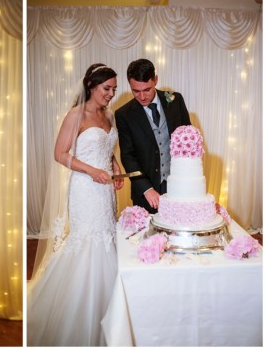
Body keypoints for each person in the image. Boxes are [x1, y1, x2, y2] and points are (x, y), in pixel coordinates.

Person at [28, 64, 124, 346]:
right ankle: (78, 313)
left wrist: (114, 166)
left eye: (114, 89)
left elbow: (107, 148)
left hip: (105, 190)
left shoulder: (108, 115)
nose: (111, 94)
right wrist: (91, 171)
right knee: (88, 241)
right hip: (85, 189)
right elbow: (60, 153)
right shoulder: (76, 115)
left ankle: (112, 310)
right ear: (91, 86)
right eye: (107, 89)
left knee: (107, 237)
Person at [115, 58, 191, 213]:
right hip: (146, 193)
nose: (142, 97)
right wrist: (146, 188)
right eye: (136, 91)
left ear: (155, 80)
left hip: (179, 184)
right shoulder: (123, 114)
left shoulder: (175, 101)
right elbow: (128, 157)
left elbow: (188, 140)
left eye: (147, 89)